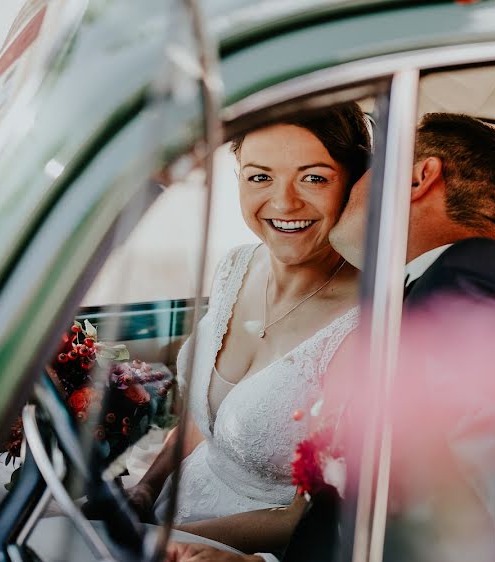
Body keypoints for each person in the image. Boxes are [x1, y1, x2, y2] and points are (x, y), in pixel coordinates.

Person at [168, 113, 495, 561]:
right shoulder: (444, 291)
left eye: (370, 172)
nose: (353, 191)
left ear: (417, 178)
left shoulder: (485, 312)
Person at [127, 102, 371, 556]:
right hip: (170, 510)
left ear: (353, 183)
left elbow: (312, 520)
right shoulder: (235, 267)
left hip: (240, 548)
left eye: (314, 177)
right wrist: (144, 490)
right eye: (260, 177)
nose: (284, 203)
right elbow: (204, 421)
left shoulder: (363, 327)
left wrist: (168, 542)